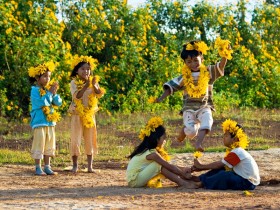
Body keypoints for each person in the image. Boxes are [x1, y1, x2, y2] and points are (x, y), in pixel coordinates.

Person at [156, 39, 232, 152]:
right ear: (185, 63)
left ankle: (198, 144)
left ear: (202, 58)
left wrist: (225, 54)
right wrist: (161, 98)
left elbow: (220, 66)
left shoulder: (208, 72)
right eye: (189, 62)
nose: (193, 64)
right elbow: (171, 87)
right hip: (189, 109)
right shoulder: (184, 77)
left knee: (208, 121)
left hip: (204, 106)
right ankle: (185, 130)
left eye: (196, 60)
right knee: (191, 132)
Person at [126, 117, 197, 188]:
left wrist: (183, 169)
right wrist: (183, 173)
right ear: (157, 139)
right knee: (158, 165)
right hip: (134, 181)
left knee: (160, 164)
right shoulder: (152, 154)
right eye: (163, 138)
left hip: (136, 179)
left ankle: (185, 181)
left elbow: (168, 165)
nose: (164, 141)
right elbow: (168, 166)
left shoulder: (149, 150)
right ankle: (183, 183)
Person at [191, 119, 260, 190]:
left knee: (225, 174)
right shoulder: (236, 151)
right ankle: (199, 179)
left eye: (226, 135)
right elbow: (221, 166)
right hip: (243, 179)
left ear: (235, 139)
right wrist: (200, 167)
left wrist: (201, 166)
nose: (223, 137)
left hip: (248, 183)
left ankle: (201, 183)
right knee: (222, 169)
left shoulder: (237, 152)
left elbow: (218, 164)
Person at [69, 55, 105, 173]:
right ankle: (75, 165)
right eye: (83, 69)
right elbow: (77, 96)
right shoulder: (74, 83)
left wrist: (94, 85)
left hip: (89, 115)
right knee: (76, 139)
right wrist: (85, 86)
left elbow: (99, 93)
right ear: (77, 70)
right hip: (77, 115)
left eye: (88, 69)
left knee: (90, 139)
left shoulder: (93, 81)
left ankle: (90, 166)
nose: (86, 71)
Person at [28, 61, 62, 176]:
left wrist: (54, 93)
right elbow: (43, 103)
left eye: (49, 76)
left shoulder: (49, 90)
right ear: (38, 78)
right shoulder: (34, 91)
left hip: (50, 121)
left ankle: (47, 166)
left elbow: (57, 103)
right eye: (45, 76)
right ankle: (38, 167)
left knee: (49, 143)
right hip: (39, 122)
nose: (48, 79)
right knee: (39, 143)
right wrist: (50, 94)